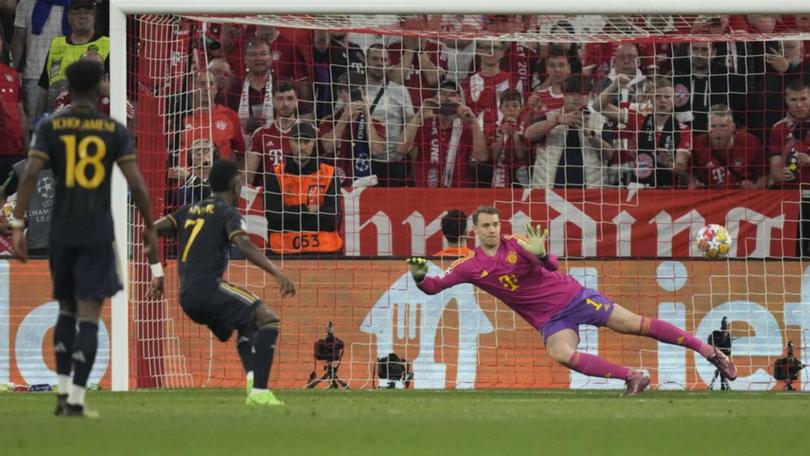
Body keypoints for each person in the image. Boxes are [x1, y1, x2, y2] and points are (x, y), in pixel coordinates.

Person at [406, 206, 738, 396]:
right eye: (486, 226)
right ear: (474, 231)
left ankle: (709, 351)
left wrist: (542, 254)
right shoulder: (469, 266)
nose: (493, 229)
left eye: (496, 224)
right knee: (561, 353)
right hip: (550, 320)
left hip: (574, 297)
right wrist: (420, 276)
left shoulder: (518, 243)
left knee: (635, 325)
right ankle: (633, 377)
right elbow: (434, 287)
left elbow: (552, 266)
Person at [11, 60, 159, 417]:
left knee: (65, 307)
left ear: (68, 88)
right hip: (97, 230)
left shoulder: (51, 125)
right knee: (90, 313)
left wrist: (18, 225)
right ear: (100, 87)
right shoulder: (112, 129)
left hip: (61, 230)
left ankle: (62, 395)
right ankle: (77, 398)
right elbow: (136, 183)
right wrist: (150, 228)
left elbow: (30, 174)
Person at [149, 159, 295, 405]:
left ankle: (252, 383)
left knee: (248, 324)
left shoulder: (188, 210)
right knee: (268, 319)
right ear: (236, 185)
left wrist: (158, 273)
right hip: (208, 288)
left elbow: (149, 231)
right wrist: (276, 272)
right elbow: (244, 244)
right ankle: (260, 392)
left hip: (187, 297)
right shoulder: (228, 213)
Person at [265, 122, 343, 254]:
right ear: (290, 142)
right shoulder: (275, 174)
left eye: (306, 142)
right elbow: (274, 218)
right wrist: (307, 209)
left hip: (324, 249)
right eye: (297, 141)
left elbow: (332, 219)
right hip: (284, 250)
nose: (301, 147)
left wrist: (291, 217)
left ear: (313, 143)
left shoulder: (329, 173)